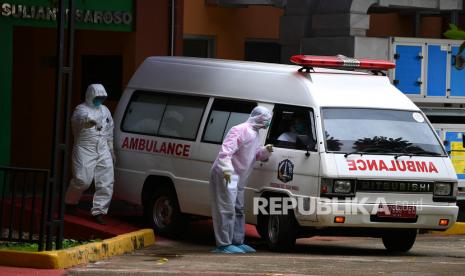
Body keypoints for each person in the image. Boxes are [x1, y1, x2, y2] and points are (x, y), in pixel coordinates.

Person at [210, 106, 273, 254]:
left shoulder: (255, 134)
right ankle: (223, 244)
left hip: (238, 178)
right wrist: (226, 170)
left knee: (238, 209)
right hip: (226, 174)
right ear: (258, 118)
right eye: (266, 119)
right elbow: (225, 152)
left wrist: (265, 152)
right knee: (226, 209)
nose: (268, 122)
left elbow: (254, 155)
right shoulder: (239, 130)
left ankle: (237, 241)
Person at [65, 84, 115, 225]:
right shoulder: (81, 109)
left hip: (103, 148)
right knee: (82, 180)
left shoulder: (105, 110)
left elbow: (110, 129)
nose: (99, 99)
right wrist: (89, 121)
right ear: (90, 96)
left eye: (102, 97)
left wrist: (111, 149)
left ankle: (99, 211)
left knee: (106, 181)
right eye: (97, 97)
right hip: (85, 148)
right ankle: (70, 202)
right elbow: (79, 120)